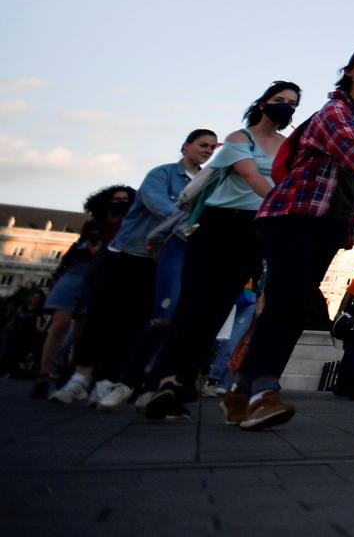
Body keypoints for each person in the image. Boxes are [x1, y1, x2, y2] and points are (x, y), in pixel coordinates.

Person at [237, 47, 354, 431]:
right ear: (349, 71)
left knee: (294, 303)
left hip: (329, 223)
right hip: (296, 214)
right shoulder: (335, 113)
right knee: (285, 300)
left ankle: (242, 385)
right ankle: (262, 391)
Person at [140, 82, 302, 421]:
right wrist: (282, 204)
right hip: (219, 225)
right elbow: (250, 177)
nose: (285, 107)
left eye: (292, 103)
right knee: (193, 305)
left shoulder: (289, 146)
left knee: (218, 310)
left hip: (256, 230)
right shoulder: (239, 139)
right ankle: (165, 380)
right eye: (279, 100)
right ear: (262, 103)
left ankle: (184, 382)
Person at [53, 130, 217, 407]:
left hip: (161, 261)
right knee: (101, 317)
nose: (208, 150)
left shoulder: (206, 181)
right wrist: (193, 220)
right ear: (186, 146)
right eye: (203, 145)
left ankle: (107, 379)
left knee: (134, 322)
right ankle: (79, 378)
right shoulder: (162, 174)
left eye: (212, 147)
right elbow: (157, 204)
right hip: (128, 253)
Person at [32, 205, 114, 399]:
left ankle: (75, 375)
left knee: (83, 331)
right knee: (59, 324)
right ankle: (44, 375)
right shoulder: (93, 226)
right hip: (76, 272)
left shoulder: (125, 225)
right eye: (114, 200)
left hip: (100, 275)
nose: (118, 202)